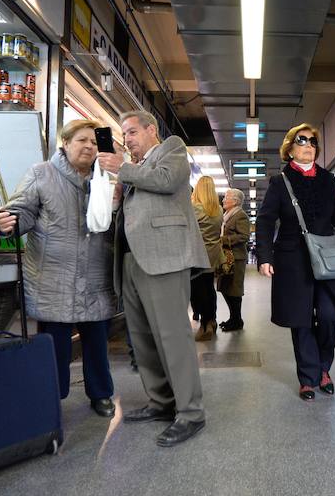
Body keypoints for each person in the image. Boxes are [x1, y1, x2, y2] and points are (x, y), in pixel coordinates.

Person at [98, 110, 210, 447]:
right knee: (143, 337)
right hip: (131, 258)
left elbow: (168, 180)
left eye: (132, 132)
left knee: (173, 336)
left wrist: (123, 169)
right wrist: (118, 199)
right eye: (124, 134)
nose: (127, 139)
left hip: (165, 257)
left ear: (151, 129)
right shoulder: (135, 169)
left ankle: (191, 412)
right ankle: (161, 401)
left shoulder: (171, 148)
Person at [0, 119, 117, 417]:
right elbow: (20, 212)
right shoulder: (41, 173)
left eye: (94, 142)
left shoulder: (107, 179)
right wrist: (5, 223)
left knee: (97, 344)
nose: (89, 146)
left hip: (96, 277)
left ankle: (101, 394)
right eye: (82, 140)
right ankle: (53, 397)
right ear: (66, 143)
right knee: (55, 346)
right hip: (53, 279)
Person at [255, 123, 335, 401]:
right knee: (302, 320)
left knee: (329, 315)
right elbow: (265, 220)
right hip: (292, 260)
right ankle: (309, 378)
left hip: (328, 259)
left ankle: (324, 367)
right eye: (302, 140)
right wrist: (265, 257)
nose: (309, 145)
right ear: (289, 149)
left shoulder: (327, 179)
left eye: (312, 141)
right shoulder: (280, 181)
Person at [190, 176, 223, 341]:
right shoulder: (219, 210)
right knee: (209, 288)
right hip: (213, 254)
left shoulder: (195, 208)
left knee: (198, 290)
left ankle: (204, 324)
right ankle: (212, 321)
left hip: (198, 255)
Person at [217, 188, 251, 331]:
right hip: (226, 257)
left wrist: (223, 240)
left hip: (236, 258)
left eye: (227, 197)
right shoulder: (226, 215)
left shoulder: (240, 215)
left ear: (235, 201)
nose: (223, 200)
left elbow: (244, 236)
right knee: (225, 287)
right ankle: (233, 318)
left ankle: (237, 320)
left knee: (234, 289)